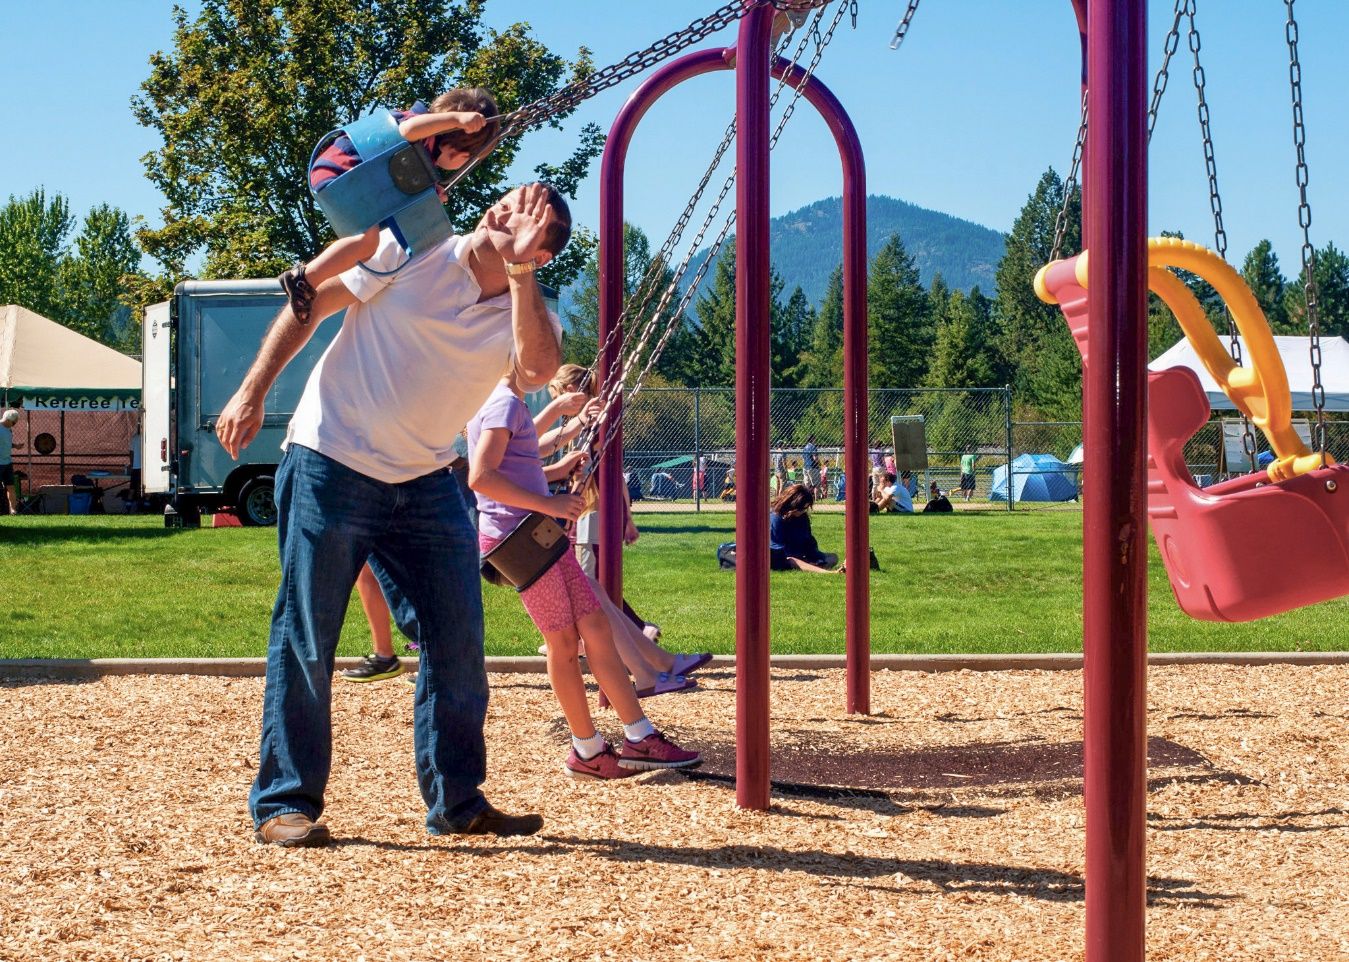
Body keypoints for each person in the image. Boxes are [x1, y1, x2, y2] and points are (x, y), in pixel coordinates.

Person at [215, 181, 573, 846]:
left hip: (425, 477)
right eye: (511, 197)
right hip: (331, 461)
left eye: (532, 215)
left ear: (541, 254)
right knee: (309, 633)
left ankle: (457, 803)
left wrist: (520, 270)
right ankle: (284, 804)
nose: (510, 209)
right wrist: (251, 389)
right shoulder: (416, 250)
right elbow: (314, 303)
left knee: (458, 638)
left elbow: (535, 371)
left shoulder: (527, 313)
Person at [467, 370, 702, 780]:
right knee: (561, 642)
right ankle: (588, 749)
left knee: (594, 624)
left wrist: (560, 420)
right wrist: (549, 503)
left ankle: (637, 735)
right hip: (520, 538)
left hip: (532, 532)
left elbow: (519, 450)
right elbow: (482, 476)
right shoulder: (502, 401)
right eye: (541, 350)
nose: (546, 363)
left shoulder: (505, 400)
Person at [537, 364, 709, 696]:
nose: (557, 401)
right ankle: (653, 664)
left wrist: (625, 515)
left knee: (593, 596)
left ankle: (646, 653)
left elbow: (605, 472)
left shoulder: (594, 425)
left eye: (557, 395)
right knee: (593, 595)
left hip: (591, 513)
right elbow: (537, 449)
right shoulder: (578, 426)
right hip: (579, 514)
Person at [281, 88, 500, 324]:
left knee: (368, 245)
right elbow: (407, 130)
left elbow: (399, 186)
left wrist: (431, 192)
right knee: (366, 242)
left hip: (356, 181)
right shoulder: (418, 128)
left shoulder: (420, 155)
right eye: (466, 159)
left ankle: (307, 282)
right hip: (342, 170)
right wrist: (456, 120)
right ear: (454, 147)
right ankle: (303, 279)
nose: (461, 166)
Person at [0, 409, 20, 515]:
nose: (14, 424)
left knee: (11, 487)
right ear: (8, 420)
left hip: (7, 463)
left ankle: (13, 510)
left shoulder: (9, 430)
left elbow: (6, 443)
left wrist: (15, 446)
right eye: (13, 422)